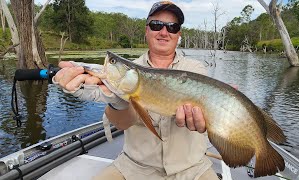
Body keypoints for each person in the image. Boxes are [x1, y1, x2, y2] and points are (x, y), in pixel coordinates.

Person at [53, 1, 219, 180]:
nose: (164, 32)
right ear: (146, 30)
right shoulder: (128, 73)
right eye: (156, 25)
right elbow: (122, 123)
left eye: (172, 27)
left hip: (192, 168)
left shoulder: (195, 69)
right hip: (134, 167)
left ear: (178, 34)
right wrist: (115, 100)